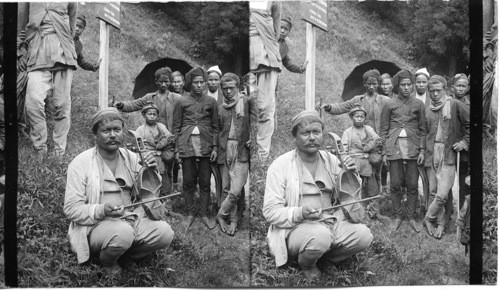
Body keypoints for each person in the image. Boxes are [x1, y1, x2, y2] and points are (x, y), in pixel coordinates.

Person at [64, 107, 174, 275]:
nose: (113, 135)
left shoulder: (131, 157)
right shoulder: (81, 163)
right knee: (122, 233)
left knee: (165, 233)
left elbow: (150, 191)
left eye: (117, 129)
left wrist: (151, 170)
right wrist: (101, 209)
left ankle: (126, 255)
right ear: (95, 135)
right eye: (106, 130)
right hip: (97, 225)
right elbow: (71, 209)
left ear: (123, 132)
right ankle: (107, 261)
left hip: (131, 218)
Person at [263, 110, 373, 278]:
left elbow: (350, 197)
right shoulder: (280, 166)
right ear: (295, 137)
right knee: (320, 237)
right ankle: (307, 264)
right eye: (306, 133)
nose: (312, 137)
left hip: (331, 221)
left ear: (322, 134)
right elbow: (270, 212)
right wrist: (299, 212)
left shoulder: (331, 160)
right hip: (297, 228)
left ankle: (328, 259)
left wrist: (351, 173)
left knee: (364, 236)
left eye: (316, 132)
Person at [322, 69, 391, 217]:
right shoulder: (357, 100)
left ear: (378, 84)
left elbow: (395, 112)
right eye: (368, 84)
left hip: (375, 141)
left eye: (374, 84)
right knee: (358, 178)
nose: (371, 87)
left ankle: (373, 209)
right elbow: (342, 106)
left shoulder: (385, 101)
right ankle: (360, 209)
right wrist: (330, 108)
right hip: (358, 143)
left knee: (375, 176)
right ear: (364, 84)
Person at [18, 2, 78, 158]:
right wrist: (21, 51)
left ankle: (59, 151)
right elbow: (20, 27)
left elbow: (72, 28)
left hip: (63, 53)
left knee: (62, 104)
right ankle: (40, 147)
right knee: (33, 101)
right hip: (37, 52)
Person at [114, 67, 182, 195]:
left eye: (166, 82)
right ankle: (154, 195)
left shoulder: (176, 98)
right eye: (161, 82)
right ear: (156, 81)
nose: (163, 85)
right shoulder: (149, 97)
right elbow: (134, 104)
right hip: (152, 140)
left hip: (169, 140)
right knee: (154, 169)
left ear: (170, 82)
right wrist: (122, 105)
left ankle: (168, 197)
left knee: (169, 169)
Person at [422, 75, 469, 239]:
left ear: (445, 90)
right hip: (432, 151)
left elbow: (471, 125)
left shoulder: (455, 104)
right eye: (432, 90)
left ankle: (428, 218)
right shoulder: (428, 109)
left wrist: (464, 142)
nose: (435, 94)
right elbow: (424, 132)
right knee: (434, 191)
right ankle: (441, 223)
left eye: (438, 90)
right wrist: (423, 152)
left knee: (442, 194)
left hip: (449, 152)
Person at [172, 67, 219, 230]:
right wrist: (177, 149)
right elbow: (176, 126)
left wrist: (214, 147)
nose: (199, 85)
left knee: (205, 182)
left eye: (201, 82)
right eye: (195, 83)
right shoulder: (182, 101)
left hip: (205, 146)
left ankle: (204, 213)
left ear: (205, 84)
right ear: (190, 84)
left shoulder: (211, 102)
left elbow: (215, 126)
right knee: (188, 182)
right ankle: (190, 213)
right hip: (187, 146)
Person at [380, 70, 427, 233]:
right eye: (403, 85)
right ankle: (398, 215)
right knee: (395, 184)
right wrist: (385, 152)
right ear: (397, 86)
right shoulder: (389, 104)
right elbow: (384, 129)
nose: (406, 88)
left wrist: (421, 150)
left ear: (412, 86)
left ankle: (411, 216)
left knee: (413, 185)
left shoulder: (418, 104)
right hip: (394, 148)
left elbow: (422, 129)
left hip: (413, 148)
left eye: (409, 85)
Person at [216, 73, 250, 236]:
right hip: (225, 148)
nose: (228, 92)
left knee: (236, 190)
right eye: (225, 89)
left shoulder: (246, 102)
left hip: (242, 148)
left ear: (238, 88)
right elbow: (217, 130)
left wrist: (254, 141)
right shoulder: (221, 107)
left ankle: (221, 215)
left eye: (232, 88)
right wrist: (217, 149)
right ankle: (233, 219)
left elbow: (257, 120)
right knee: (226, 188)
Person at [342, 105, 387, 221]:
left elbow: (378, 140)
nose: (359, 119)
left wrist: (369, 146)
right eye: (356, 116)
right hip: (354, 163)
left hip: (367, 163)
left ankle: (374, 213)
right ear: (352, 117)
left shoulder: (369, 129)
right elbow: (343, 151)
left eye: (362, 116)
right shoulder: (348, 132)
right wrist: (347, 162)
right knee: (356, 189)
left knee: (373, 188)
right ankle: (357, 214)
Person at [249, 0, 282, 159]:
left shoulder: (274, 2)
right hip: (245, 55)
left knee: (266, 107)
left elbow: (275, 30)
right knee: (243, 104)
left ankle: (263, 155)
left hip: (267, 57)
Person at [135, 103, 173, 197]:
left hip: (160, 158)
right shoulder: (140, 130)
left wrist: (163, 142)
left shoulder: (161, 127)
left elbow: (170, 137)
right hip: (147, 158)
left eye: (154, 114)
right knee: (149, 181)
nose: (152, 116)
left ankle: (166, 206)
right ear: (144, 115)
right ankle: (151, 203)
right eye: (149, 114)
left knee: (164, 181)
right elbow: (138, 146)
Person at [449, 73, 470, 209]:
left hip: (464, 151)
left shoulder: (470, 105)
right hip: (448, 148)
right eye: (458, 86)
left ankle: (462, 210)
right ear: (452, 88)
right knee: (447, 182)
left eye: (463, 86)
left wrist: (464, 142)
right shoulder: (446, 103)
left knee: (463, 182)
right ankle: (448, 209)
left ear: (467, 88)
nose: (461, 89)